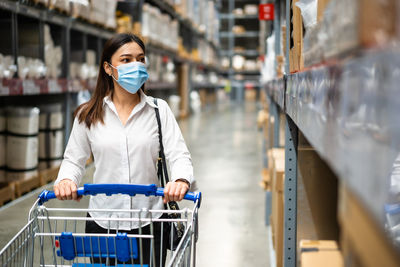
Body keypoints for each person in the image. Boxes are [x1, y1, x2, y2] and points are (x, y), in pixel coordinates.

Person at [53, 33, 194, 266]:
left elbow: (179, 155)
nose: (135, 66)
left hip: (149, 222)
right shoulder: (88, 114)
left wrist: (180, 180)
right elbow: (72, 160)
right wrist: (67, 180)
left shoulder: (159, 111)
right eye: (126, 60)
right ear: (108, 68)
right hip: (102, 223)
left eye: (140, 59)